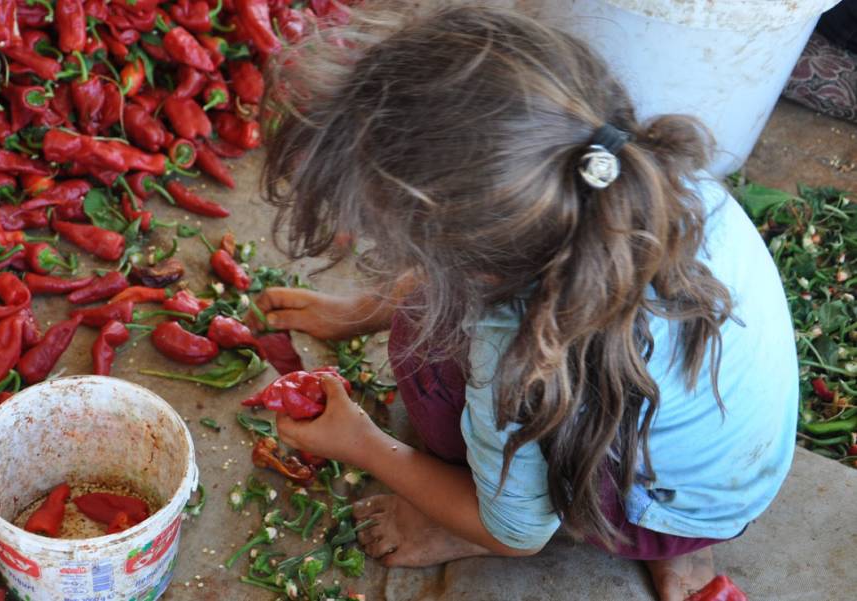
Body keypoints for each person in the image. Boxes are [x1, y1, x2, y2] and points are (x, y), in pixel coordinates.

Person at [254, 5, 798, 601]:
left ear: (469, 261)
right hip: (724, 485)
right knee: (628, 410)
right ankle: (683, 544)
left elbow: (521, 538)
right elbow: (484, 258)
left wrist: (360, 443)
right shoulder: (643, 178)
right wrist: (360, 310)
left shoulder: (517, 353)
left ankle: (469, 522)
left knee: (422, 344)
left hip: (635, 511)